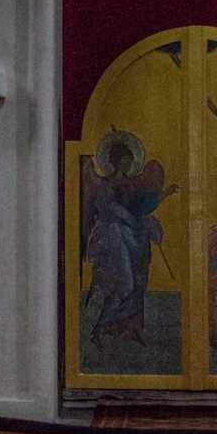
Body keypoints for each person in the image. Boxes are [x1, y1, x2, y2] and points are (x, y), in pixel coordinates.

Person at [81, 142, 178, 347]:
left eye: (130, 162)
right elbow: (106, 208)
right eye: (123, 161)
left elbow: (143, 206)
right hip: (115, 239)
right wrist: (128, 217)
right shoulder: (105, 185)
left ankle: (130, 328)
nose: (127, 165)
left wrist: (165, 194)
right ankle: (99, 329)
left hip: (137, 239)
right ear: (114, 162)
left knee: (139, 285)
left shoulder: (134, 185)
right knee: (124, 285)